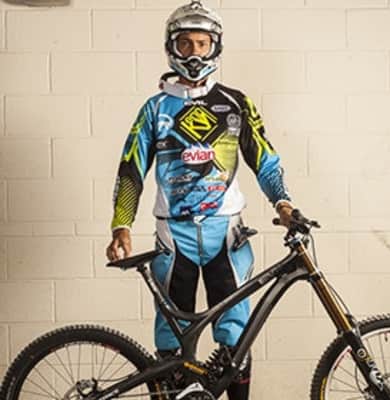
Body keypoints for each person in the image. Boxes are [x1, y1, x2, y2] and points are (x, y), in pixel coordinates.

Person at [106, 1, 295, 399]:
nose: (194, 53)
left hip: (226, 234)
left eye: (202, 44)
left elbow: (265, 161)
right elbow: (131, 169)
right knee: (171, 338)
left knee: (235, 336)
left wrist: (283, 203)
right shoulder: (155, 108)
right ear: (171, 47)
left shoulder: (237, 103)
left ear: (216, 47)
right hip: (173, 237)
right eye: (185, 43)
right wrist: (121, 225)